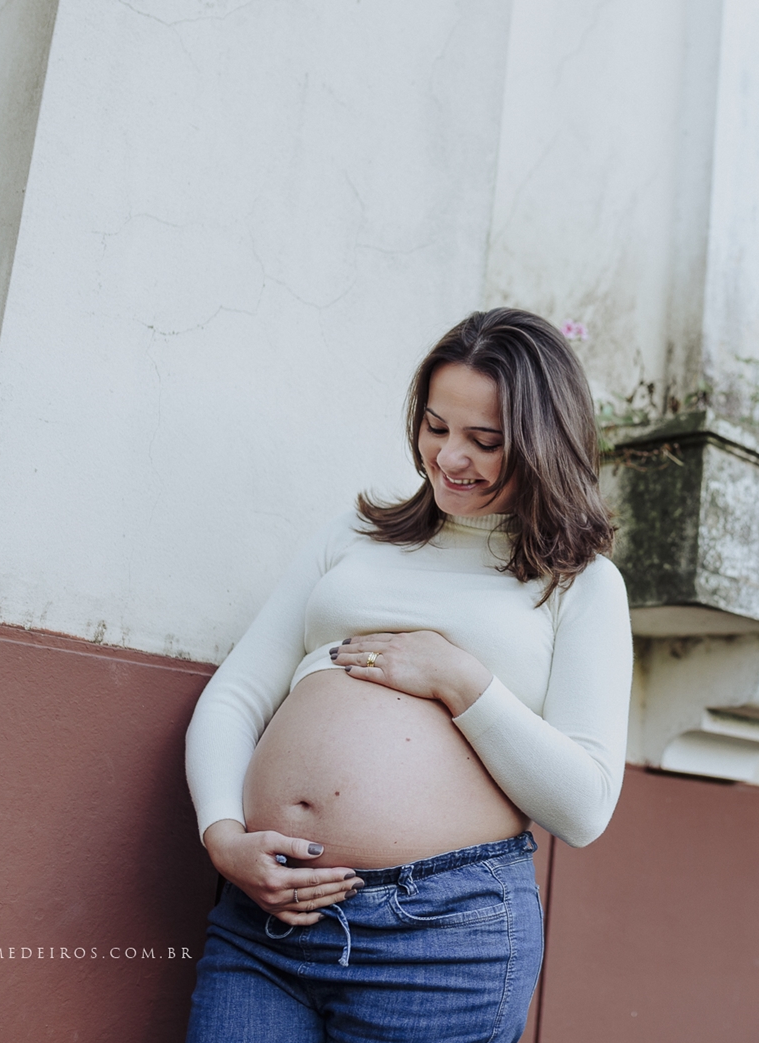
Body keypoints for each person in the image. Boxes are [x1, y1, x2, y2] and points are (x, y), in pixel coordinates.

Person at [182, 308, 633, 1043]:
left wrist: (460, 680)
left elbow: (584, 808)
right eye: (435, 426)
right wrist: (223, 835)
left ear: (544, 443)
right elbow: (237, 694)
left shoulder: (580, 584)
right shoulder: (353, 537)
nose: (450, 457)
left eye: (485, 441)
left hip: (439, 944)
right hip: (264, 920)